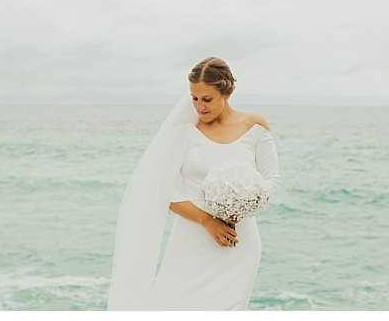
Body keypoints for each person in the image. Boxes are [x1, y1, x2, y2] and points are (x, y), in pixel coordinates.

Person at [107, 57, 282, 310]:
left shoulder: (254, 127)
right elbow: (163, 190)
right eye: (194, 98)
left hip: (238, 242)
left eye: (207, 99)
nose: (199, 106)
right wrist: (207, 220)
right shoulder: (184, 132)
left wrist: (245, 206)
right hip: (191, 240)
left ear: (227, 92)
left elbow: (271, 178)